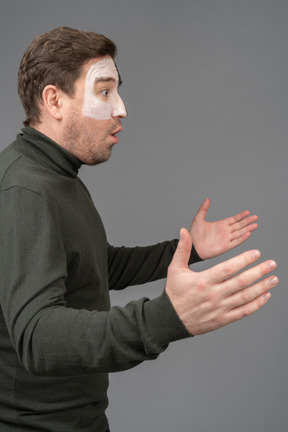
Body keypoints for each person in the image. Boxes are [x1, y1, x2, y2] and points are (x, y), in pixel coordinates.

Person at [0, 27, 278, 432]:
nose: (122, 108)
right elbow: (36, 337)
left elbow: (99, 266)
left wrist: (188, 249)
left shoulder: (59, 177)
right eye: (104, 91)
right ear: (54, 100)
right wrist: (166, 317)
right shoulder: (25, 189)